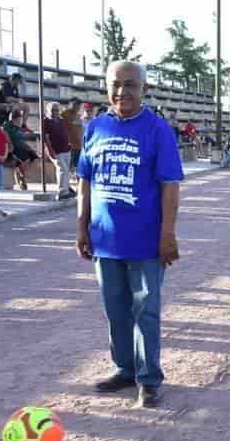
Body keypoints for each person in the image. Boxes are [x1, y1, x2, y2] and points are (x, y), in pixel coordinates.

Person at [76, 61, 184, 409]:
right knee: (115, 311)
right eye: (116, 84)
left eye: (130, 85)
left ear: (144, 89)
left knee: (146, 311)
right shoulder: (95, 128)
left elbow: (170, 186)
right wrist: (82, 227)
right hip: (105, 242)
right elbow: (85, 182)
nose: (122, 91)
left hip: (146, 242)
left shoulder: (157, 130)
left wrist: (168, 234)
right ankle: (125, 369)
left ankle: (149, 379)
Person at [43, 102, 74, 200]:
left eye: (56, 109)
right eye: (53, 110)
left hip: (65, 149)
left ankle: (67, 188)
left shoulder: (61, 120)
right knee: (62, 170)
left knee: (66, 170)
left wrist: (69, 144)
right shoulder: (46, 121)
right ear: (48, 110)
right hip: (56, 150)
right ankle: (62, 192)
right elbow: (45, 138)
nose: (55, 112)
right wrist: (50, 151)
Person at [3, 107, 39, 190]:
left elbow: (23, 138)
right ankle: (22, 179)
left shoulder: (20, 127)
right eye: (18, 120)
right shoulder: (8, 125)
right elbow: (4, 132)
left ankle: (21, 175)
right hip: (14, 149)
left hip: (22, 147)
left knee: (35, 158)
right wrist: (9, 143)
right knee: (22, 162)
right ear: (12, 120)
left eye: (20, 120)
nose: (20, 122)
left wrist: (29, 147)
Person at [61, 97, 84, 179]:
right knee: (67, 168)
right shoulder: (64, 114)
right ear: (70, 104)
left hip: (79, 146)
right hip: (69, 146)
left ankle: (78, 186)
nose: (77, 107)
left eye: (78, 105)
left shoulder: (79, 116)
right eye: (75, 105)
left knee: (78, 168)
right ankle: (67, 186)